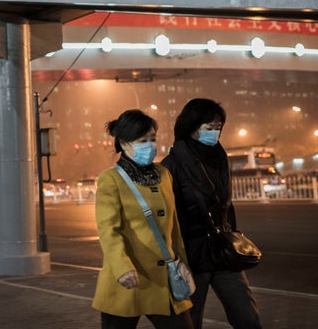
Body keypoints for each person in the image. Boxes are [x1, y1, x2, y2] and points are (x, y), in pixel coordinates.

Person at [161, 98, 261, 329]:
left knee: (247, 315)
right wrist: (175, 255)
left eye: (218, 127)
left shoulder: (220, 157)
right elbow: (170, 215)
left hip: (223, 249)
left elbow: (226, 204)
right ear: (192, 127)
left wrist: (232, 233)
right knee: (190, 320)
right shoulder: (173, 164)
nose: (215, 132)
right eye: (209, 127)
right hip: (191, 254)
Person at [93, 109, 193, 329]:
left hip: (165, 279)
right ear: (124, 143)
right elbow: (108, 229)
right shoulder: (110, 179)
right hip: (129, 279)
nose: (150, 145)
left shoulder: (163, 174)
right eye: (142, 140)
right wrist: (122, 268)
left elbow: (173, 226)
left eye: (152, 139)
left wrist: (182, 261)